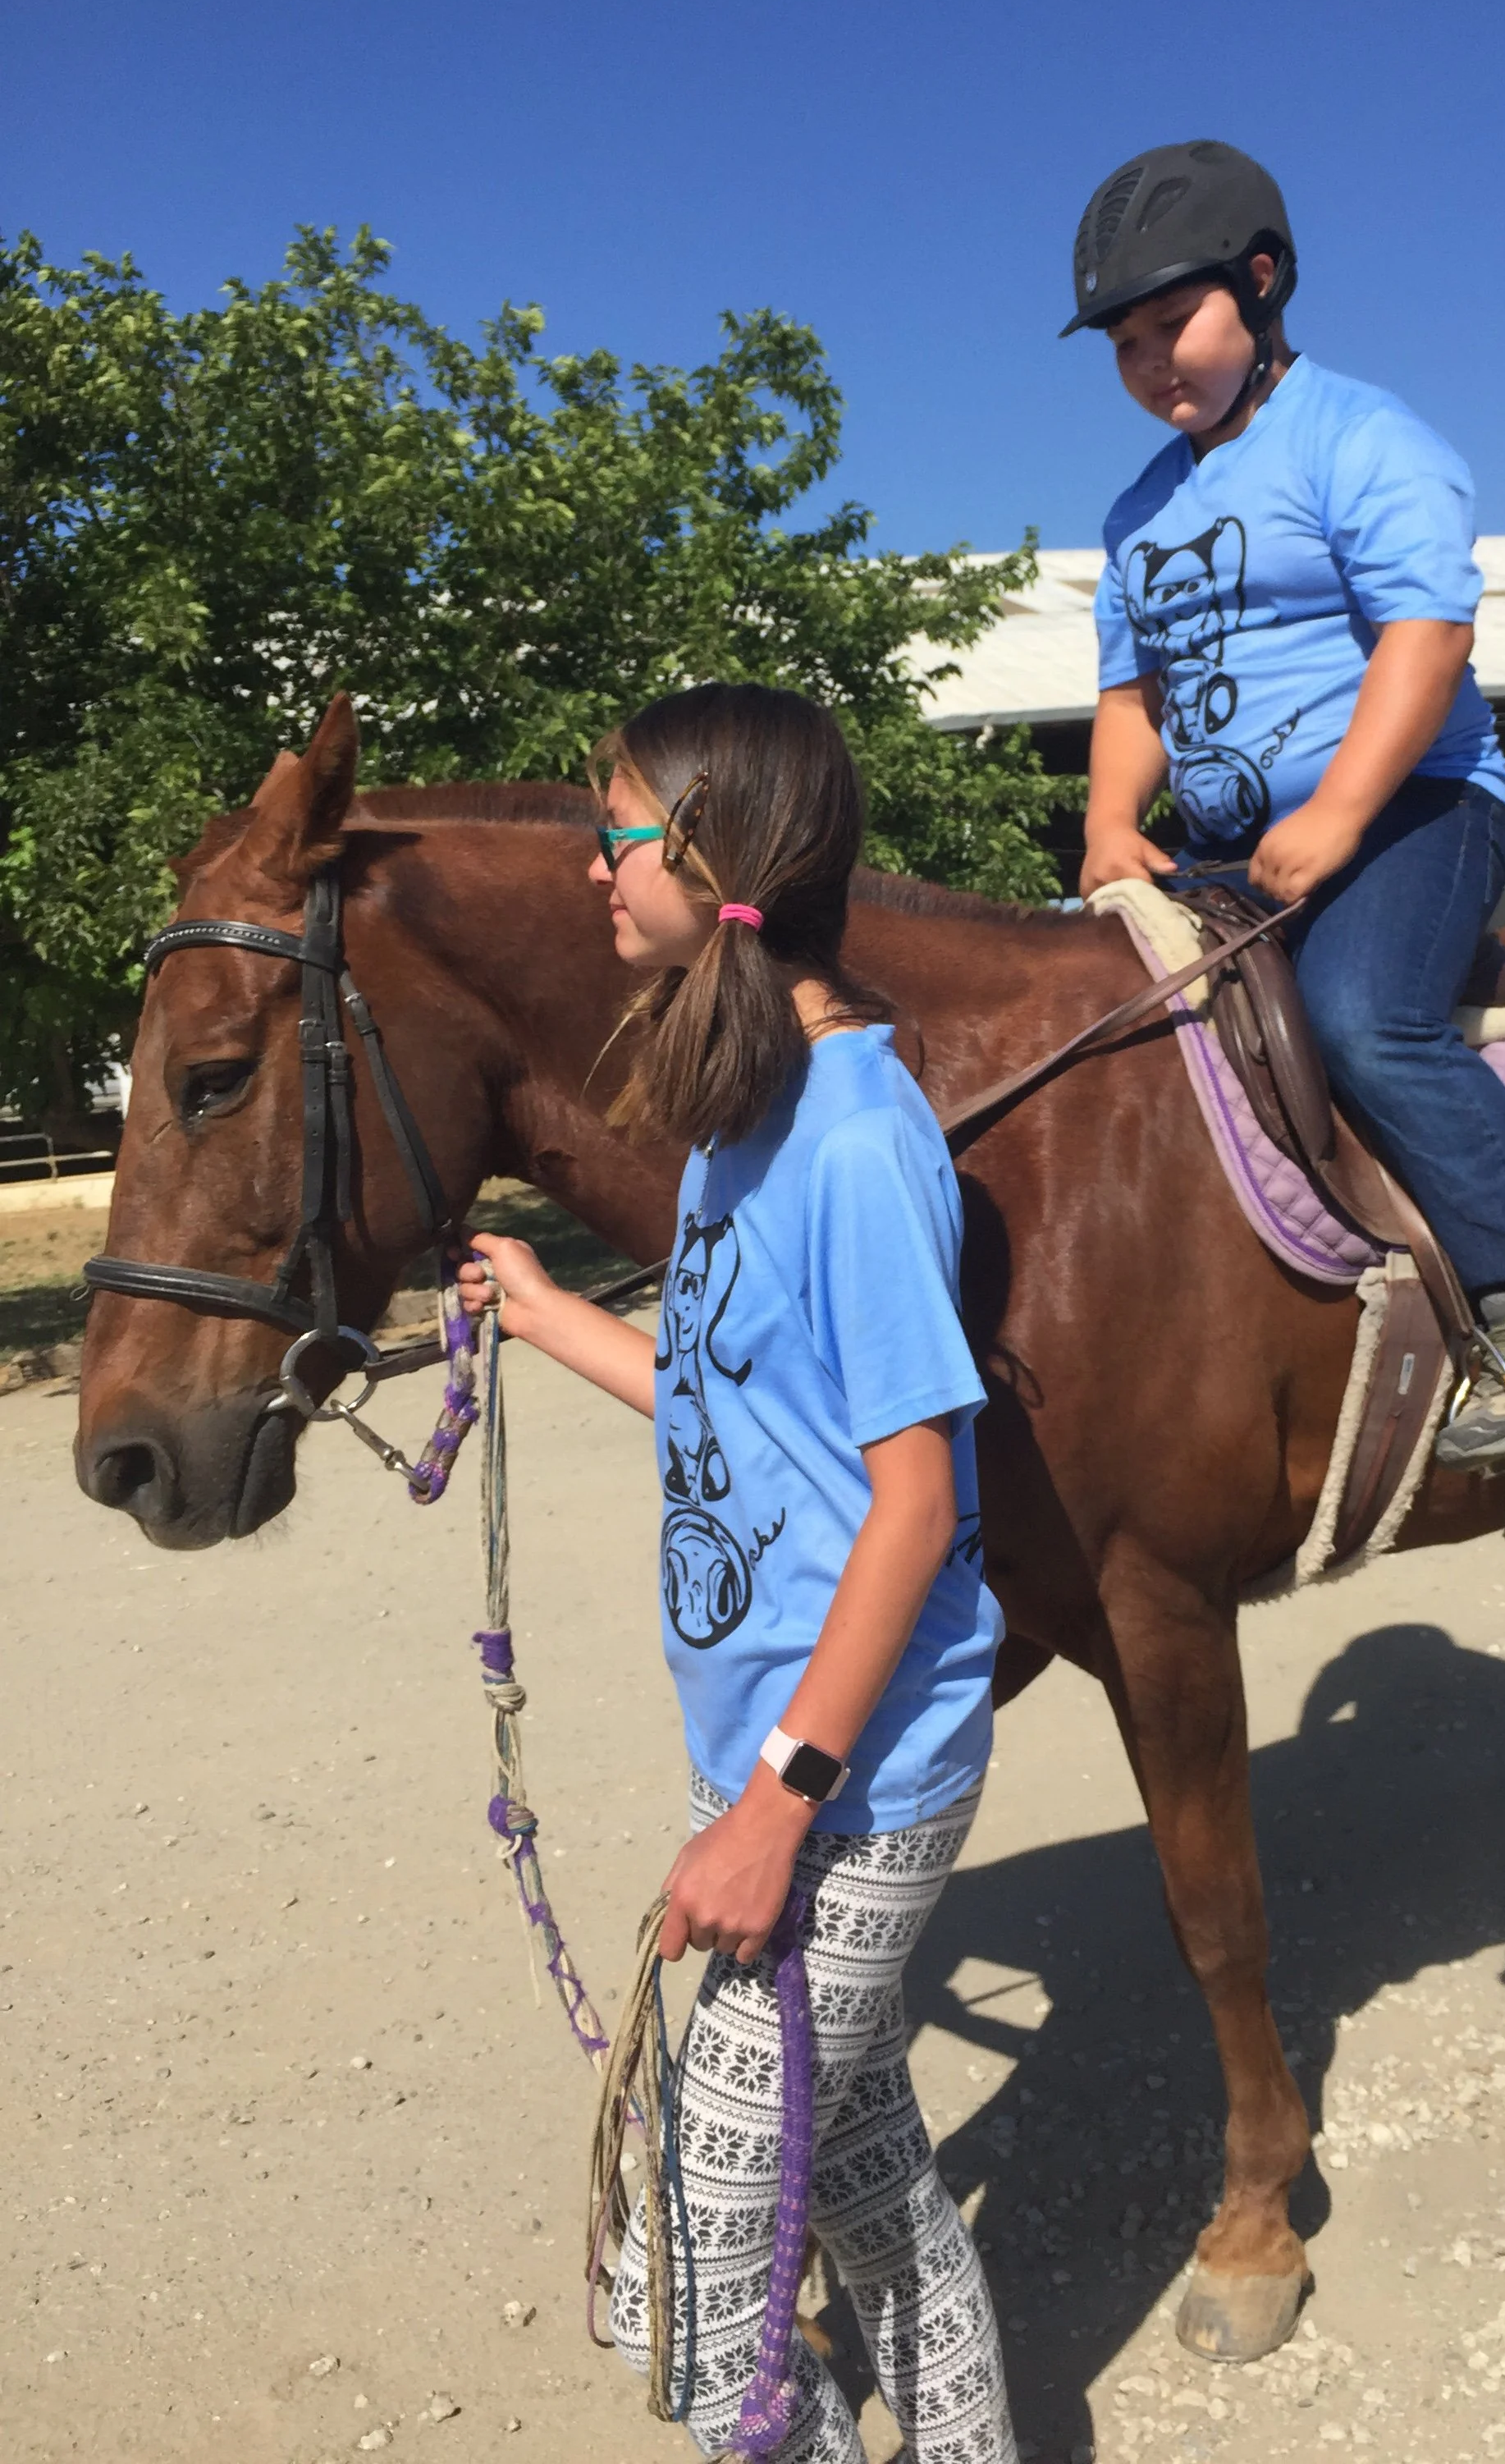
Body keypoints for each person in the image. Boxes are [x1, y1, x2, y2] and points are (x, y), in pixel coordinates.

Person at [455, 684, 1015, 2464]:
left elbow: (912, 1498)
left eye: (615, 840)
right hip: (776, 1755)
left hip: (850, 1779)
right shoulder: (732, 1121)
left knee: (706, 2233)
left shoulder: (853, 1138)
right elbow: (731, 1406)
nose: (596, 880)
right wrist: (549, 1323)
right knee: (866, 2183)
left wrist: (776, 1804)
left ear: (717, 858)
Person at [1068, 139, 1505, 1468]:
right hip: (1225, 842)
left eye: (1176, 322)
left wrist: (1337, 814)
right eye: (1125, 343)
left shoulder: (1365, 438)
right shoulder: (1137, 516)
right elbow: (1132, 698)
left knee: (1365, 1018)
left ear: (1262, 284)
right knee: (1075, 1004)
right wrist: (1110, 830)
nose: (1153, 361)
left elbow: (1425, 639)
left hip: (1415, 812)